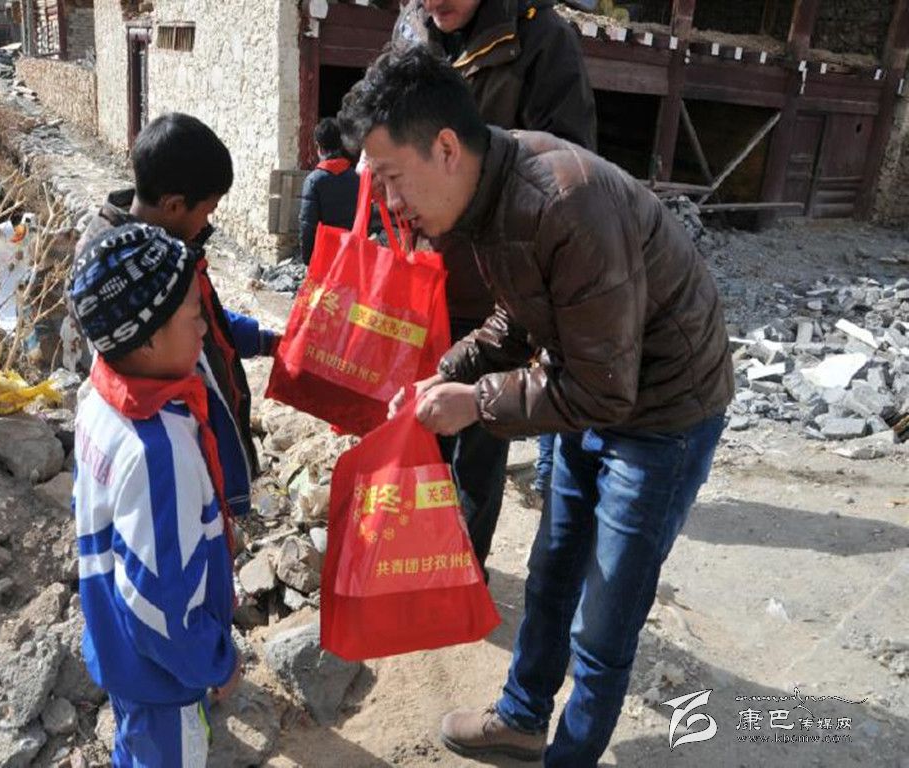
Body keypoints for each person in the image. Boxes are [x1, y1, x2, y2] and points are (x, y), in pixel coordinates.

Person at [339, 47, 733, 766]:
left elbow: (606, 390)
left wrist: (476, 402)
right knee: (552, 573)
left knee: (603, 622)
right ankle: (522, 719)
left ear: (446, 148)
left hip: (664, 413)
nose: (389, 204)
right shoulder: (488, 197)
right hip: (587, 381)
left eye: (391, 178)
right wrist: (446, 372)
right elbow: (519, 318)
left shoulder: (563, 202)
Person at [391, 0, 598, 563]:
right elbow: (383, 109)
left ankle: (462, 571)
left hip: (494, 288)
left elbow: (564, 168)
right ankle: (415, 563)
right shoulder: (412, 27)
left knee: (478, 445)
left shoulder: (542, 38)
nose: (434, 3)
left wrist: (462, 174)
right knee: (419, 429)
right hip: (423, 280)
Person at [70, 223, 243, 765]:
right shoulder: (156, 451)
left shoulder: (99, 396)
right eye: (194, 316)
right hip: (164, 682)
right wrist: (216, 661)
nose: (205, 328)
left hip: (123, 656)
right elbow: (161, 608)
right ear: (146, 339)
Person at [66, 113, 276, 518]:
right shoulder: (125, 268)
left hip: (200, 447)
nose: (207, 223)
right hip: (182, 459)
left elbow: (208, 319)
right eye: (207, 211)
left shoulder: (164, 250)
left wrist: (264, 341)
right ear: (174, 204)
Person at [299, 117, 359, 265]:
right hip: (350, 255)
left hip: (324, 258)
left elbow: (308, 226)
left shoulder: (313, 181)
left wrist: (308, 259)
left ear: (318, 147)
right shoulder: (356, 178)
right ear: (341, 144)